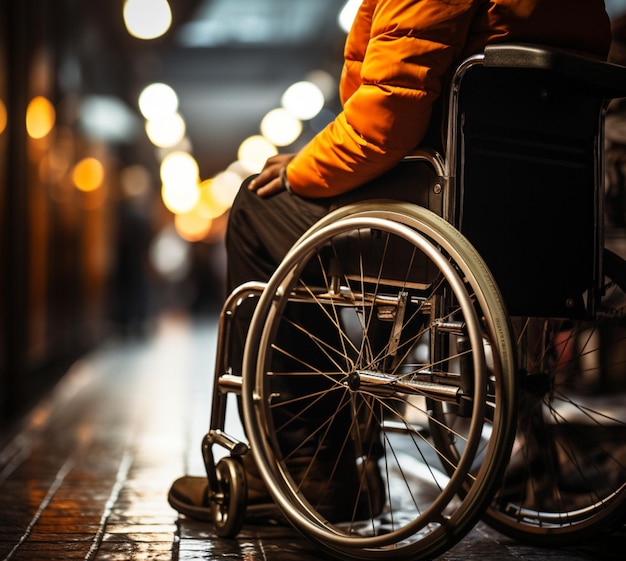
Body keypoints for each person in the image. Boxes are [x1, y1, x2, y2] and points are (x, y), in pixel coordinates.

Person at [169, 0, 612, 523]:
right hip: (536, 214)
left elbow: (384, 122)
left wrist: (299, 169)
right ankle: (339, 453)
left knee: (257, 205)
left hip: (442, 206)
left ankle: (308, 466)